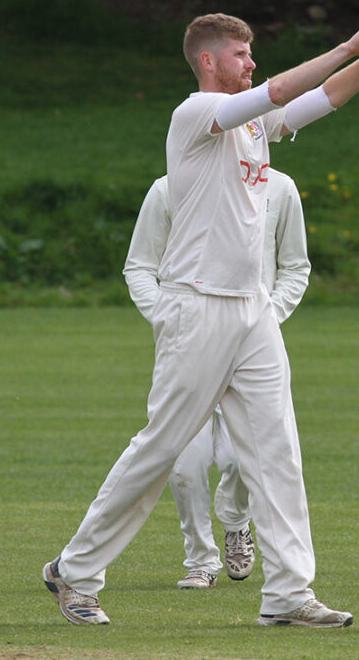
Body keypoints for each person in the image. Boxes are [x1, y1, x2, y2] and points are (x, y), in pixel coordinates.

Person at [44, 6, 359, 628]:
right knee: (161, 448)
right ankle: (76, 574)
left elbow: (322, 99)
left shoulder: (255, 125)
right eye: (241, 55)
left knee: (276, 451)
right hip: (197, 307)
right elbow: (281, 89)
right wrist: (348, 43)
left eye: (253, 54)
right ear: (210, 62)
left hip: (254, 312)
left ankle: (289, 594)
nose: (252, 63)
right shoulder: (194, 113)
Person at [122, 169, 310, 590]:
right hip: (189, 344)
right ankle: (200, 558)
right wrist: (172, 321)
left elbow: (295, 267)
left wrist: (263, 321)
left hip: (251, 345)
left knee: (244, 458)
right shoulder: (168, 189)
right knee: (185, 463)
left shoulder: (279, 188)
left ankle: (236, 520)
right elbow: (139, 267)